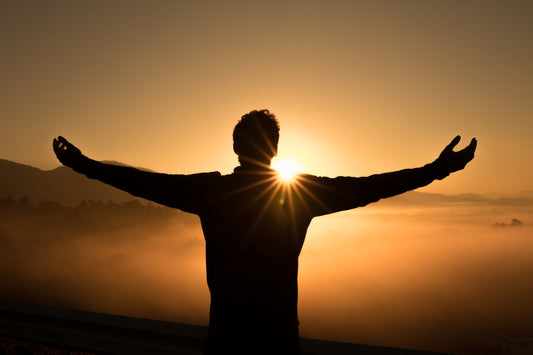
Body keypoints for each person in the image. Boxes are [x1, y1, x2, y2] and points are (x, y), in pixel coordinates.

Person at [53, 109, 477, 354]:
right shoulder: (300, 195)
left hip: (225, 339)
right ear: (274, 150)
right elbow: (371, 187)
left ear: (237, 148)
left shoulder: (212, 191)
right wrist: (436, 170)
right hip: (278, 341)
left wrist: (84, 166)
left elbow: (146, 183)